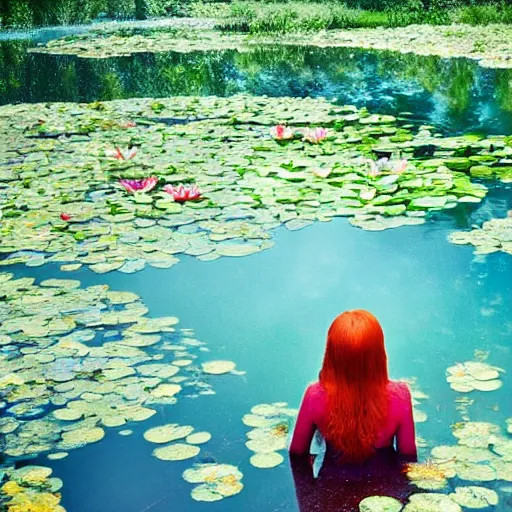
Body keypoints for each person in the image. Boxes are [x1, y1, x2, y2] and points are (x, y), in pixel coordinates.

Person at [288, 310, 417, 511]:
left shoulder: (314, 396)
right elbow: (408, 457)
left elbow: (297, 454)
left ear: (331, 354)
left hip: (331, 494)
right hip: (385, 498)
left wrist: (311, 501)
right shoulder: (400, 396)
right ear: (378, 355)